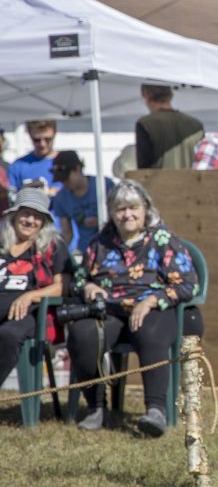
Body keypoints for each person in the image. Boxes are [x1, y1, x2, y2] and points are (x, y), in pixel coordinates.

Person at [66, 180, 199, 437]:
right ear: (112, 213)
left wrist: (150, 301)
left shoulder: (163, 239)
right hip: (110, 310)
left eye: (133, 207)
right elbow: (80, 278)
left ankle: (156, 410)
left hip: (152, 308)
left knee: (150, 333)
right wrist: (89, 288)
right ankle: (96, 406)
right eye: (120, 209)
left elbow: (188, 284)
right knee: (83, 335)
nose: (127, 214)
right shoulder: (100, 242)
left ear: (145, 208)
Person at [0, 186, 73, 387]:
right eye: (26, 214)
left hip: (31, 314)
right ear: (14, 215)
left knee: (8, 335)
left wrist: (30, 296)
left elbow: (62, 287)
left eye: (37, 216)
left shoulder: (53, 246)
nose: (31, 221)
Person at [50, 151, 116, 255]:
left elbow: (120, 214)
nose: (64, 183)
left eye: (66, 178)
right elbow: (67, 233)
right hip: (86, 251)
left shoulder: (104, 185)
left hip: (112, 247)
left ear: (77, 169)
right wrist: (58, 255)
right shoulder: (61, 198)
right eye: (61, 180)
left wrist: (102, 220)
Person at [135, 84, 205, 170]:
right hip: (192, 182)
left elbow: (143, 167)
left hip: (159, 182)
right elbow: (202, 162)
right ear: (170, 95)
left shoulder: (145, 124)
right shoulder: (196, 124)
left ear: (146, 95)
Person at [9, 120, 61, 197]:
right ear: (30, 135)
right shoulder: (17, 166)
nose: (42, 144)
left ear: (55, 133)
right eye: (37, 140)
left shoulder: (68, 164)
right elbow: (11, 199)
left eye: (47, 139)